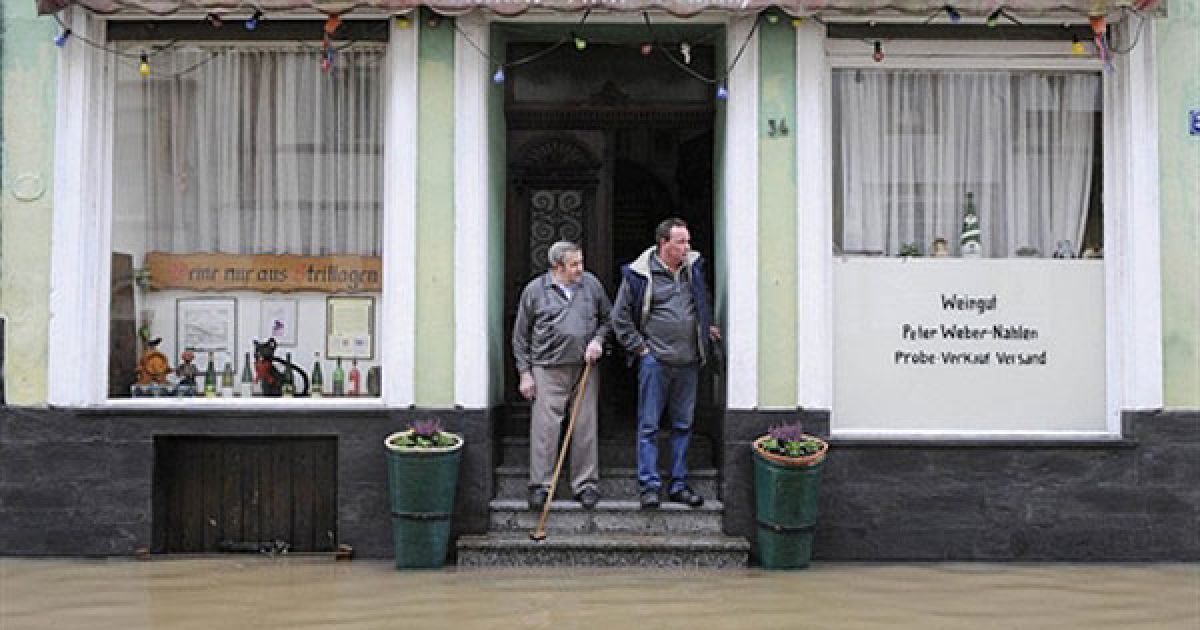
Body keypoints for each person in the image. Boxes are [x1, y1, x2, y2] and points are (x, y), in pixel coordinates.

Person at [610, 218, 720, 509]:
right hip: (655, 362)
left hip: (689, 362)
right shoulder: (639, 274)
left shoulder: (692, 270)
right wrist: (641, 349)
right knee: (649, 426)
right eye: (681, 242)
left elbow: (702, 302)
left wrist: (706, 327)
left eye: (688, 241)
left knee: (683, 425)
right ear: (664, 244)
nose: (687, 247)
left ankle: (679, 485)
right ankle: (649, 486)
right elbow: (619, 317)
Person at [512, 241, 612, 510]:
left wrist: (598, 341)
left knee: (584, 426)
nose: (581, 268)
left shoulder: (591, 284)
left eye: (581, 262)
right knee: (545, 428)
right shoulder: (535, 290)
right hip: (547, 367)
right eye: (574, 264)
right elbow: (520, 336)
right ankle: (541, 486)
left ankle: (585, 484)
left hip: (584, 366)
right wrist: (525, 373)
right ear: (557, 267)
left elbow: (607, 318)